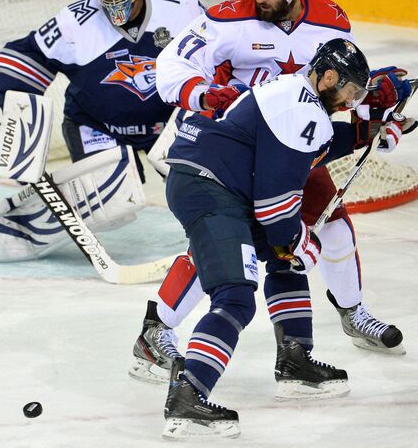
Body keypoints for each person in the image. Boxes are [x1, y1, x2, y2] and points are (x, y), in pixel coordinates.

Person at [129, 0, 413, 393]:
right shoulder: (227, 18)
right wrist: (202, 93)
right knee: (227, 248)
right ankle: (156, 329)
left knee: (322, 231)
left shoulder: (330, 22)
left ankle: (330, 327)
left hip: (293, 148)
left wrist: (375, 119)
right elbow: (171, 65)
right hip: (234, 150)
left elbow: (347, 84)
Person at [160, 39, 383, 440]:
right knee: (235, 296)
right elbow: (275, 209)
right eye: (349, 92)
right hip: (211, 187)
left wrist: (372, 129)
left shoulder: (296, 94)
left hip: (216, 181)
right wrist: (303, 243)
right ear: (329, 77)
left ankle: (295, 359)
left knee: (285, 259)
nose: (350, 102)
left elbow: (315, 145)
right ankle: (188, 394)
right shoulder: (301, 106)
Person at [0, 0, 204, 261]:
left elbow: (217, 52)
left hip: (168, 123)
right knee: (112, 206)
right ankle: (18, 227)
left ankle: (235, 230)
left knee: (200, 181)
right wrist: (22, 122)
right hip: (98, 127)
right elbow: (19, 57)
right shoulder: (75, 21)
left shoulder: (179, 5)